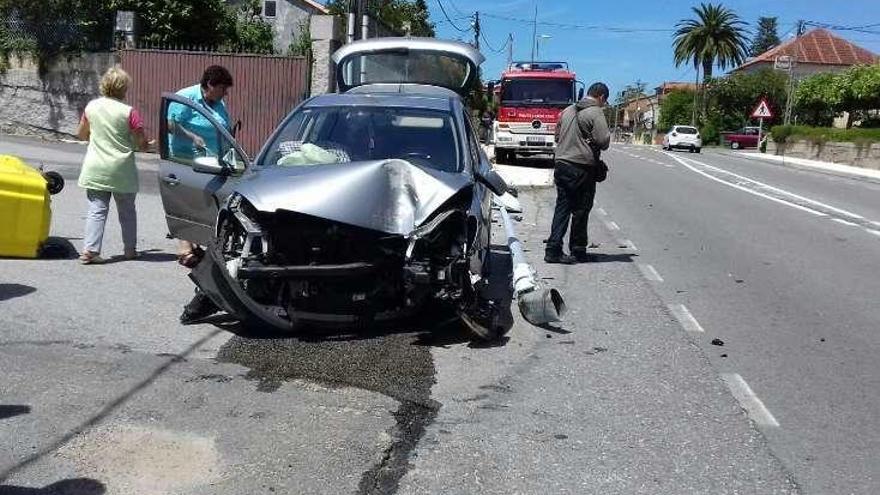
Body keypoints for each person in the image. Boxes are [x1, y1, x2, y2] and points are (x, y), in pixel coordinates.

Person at [171, 65, 234, 324]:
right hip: (185, 161)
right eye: (222, 89)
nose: (225, 94)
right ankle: (185, 246)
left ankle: (197, 244)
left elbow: (225, 129)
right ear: (209, 84)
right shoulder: (186, 97)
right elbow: (170, 125)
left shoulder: (219, 104)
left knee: (206, 205)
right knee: (187, 204)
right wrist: (191, 135)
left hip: (211, 163)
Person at [76, 66, 150, 264]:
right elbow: (141, 144)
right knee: (127, 211)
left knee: (96, 210)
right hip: (121, 170)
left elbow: (82, 134)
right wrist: (146, 145)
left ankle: (90, 251)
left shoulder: (91, 107)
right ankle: (129, 250)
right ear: (124, 88)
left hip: (96, 167)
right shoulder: (129, 112)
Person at [544, 82, 611, 264]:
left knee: (562, 207)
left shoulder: (567, 110)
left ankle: (553, 249)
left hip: (561, 164)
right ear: (602, 97)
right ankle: (578, 249)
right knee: (581, 209)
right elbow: (604, 140)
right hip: (582, 167)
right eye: (604, 101)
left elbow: (557, 136)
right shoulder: (595, 112)